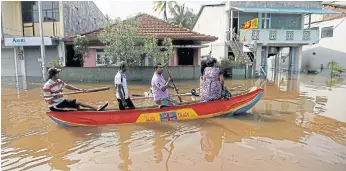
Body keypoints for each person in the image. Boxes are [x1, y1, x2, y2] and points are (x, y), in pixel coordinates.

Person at [42, 68, 108, 111]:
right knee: (74, 109)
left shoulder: (59, 81)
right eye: (57, 73)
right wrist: (55, 97)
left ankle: (96, 107)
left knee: (78, 102)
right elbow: (46, 99)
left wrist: (79, 89)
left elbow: (67, 86)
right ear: (53, 75)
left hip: (62, 101)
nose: (59, 74)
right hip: (55, 105)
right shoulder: (47, 85)